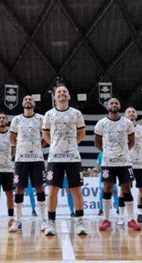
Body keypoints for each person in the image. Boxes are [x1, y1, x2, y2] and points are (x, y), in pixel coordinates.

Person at [42, 83, 87, 236]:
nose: (62, 93)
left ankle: (80, 221)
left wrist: (71, 145)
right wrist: (55, 145)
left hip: (73, 157)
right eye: (59, 92)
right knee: (52, 191)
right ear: (54, 97)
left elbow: (81, 133)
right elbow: (45, 134)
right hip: (54, 158)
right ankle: (51, 223)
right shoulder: (49, 114)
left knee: (76, 191)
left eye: (64, 91)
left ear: (69, 96)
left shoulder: (76, 113)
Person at [94, 98, 140, 231]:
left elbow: (131, 142)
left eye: (116, 103)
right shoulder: (101, 123)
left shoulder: (127, 123)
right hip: (108, 162)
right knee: (107, 188)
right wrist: (108, 152)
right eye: (111, 103)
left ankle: (131, 219)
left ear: (119, 106)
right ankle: (106, 219)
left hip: (124, 162)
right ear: (107, 106)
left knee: (126, 189)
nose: (114, 105)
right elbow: (97, 143)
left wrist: (122, 152)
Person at [10, 95, 48, 232]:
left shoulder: (41, 119)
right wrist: (21, 147)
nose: (28, 101)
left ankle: (43, 220)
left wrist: (39, 145)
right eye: (25, 99)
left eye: (30, 100)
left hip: (37, 159)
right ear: (22, 103)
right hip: (21, 160)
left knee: (39, 188)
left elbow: (46, 137)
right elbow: (12, 138)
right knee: (19, 188)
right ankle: (17, 220)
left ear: (34, 104)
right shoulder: (17, 119)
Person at [124, 107, 142, 225]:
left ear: (136, 115)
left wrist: (138, 156)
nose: (131, 113)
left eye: (133, 111)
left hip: (140, 164)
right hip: (126, 164)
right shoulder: (121, 127)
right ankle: (122, 216)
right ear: (125, 115)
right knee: (124, 190)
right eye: (129, 112)